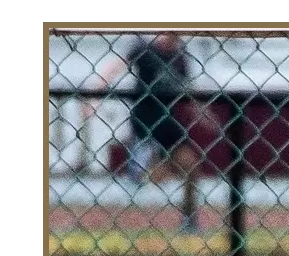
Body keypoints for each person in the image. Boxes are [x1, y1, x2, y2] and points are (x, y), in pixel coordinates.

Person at [81, 32, 202, 230]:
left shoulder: (180, 58)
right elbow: (113, 68)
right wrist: (94, 97)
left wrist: (203, 114)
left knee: (191, 166)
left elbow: (189, 91)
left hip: (169, 122)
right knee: (150, 173)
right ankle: (145, 170)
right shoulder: (145, 49)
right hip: (144, 121)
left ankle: (189, 220)